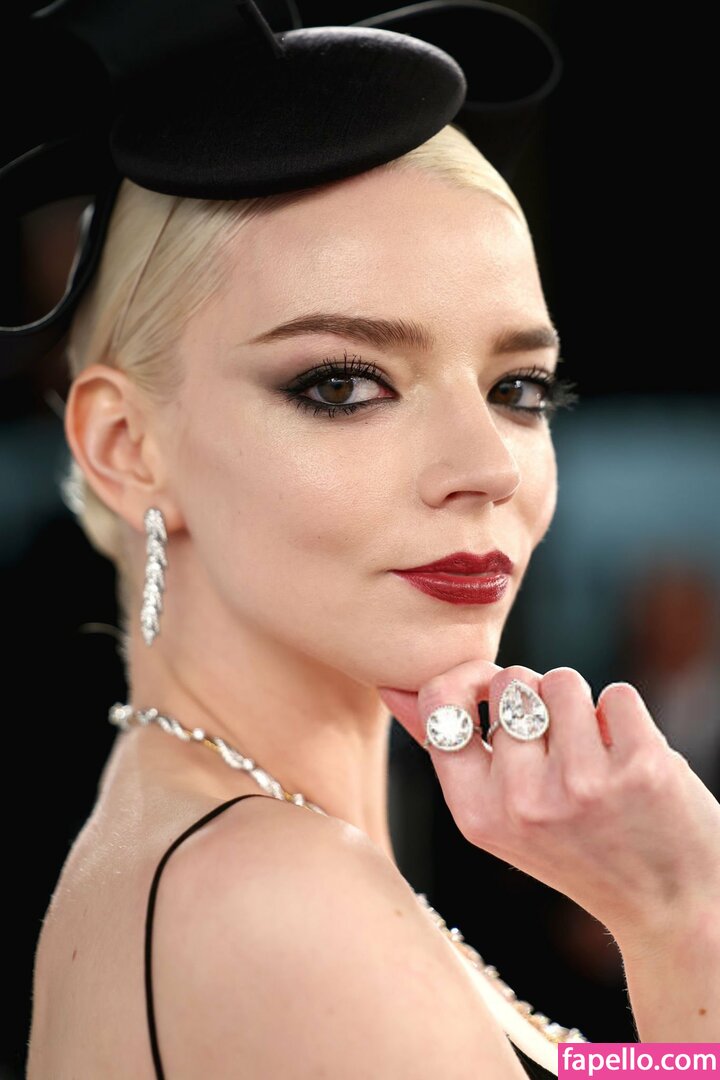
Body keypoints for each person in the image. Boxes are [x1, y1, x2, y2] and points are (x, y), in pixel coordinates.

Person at [11, 3, 720, 1078]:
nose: (486, 465)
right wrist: (684, 914)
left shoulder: (216, 844)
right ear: (126, 445)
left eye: (518, 388)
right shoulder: (281, 907)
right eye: (343, 384)